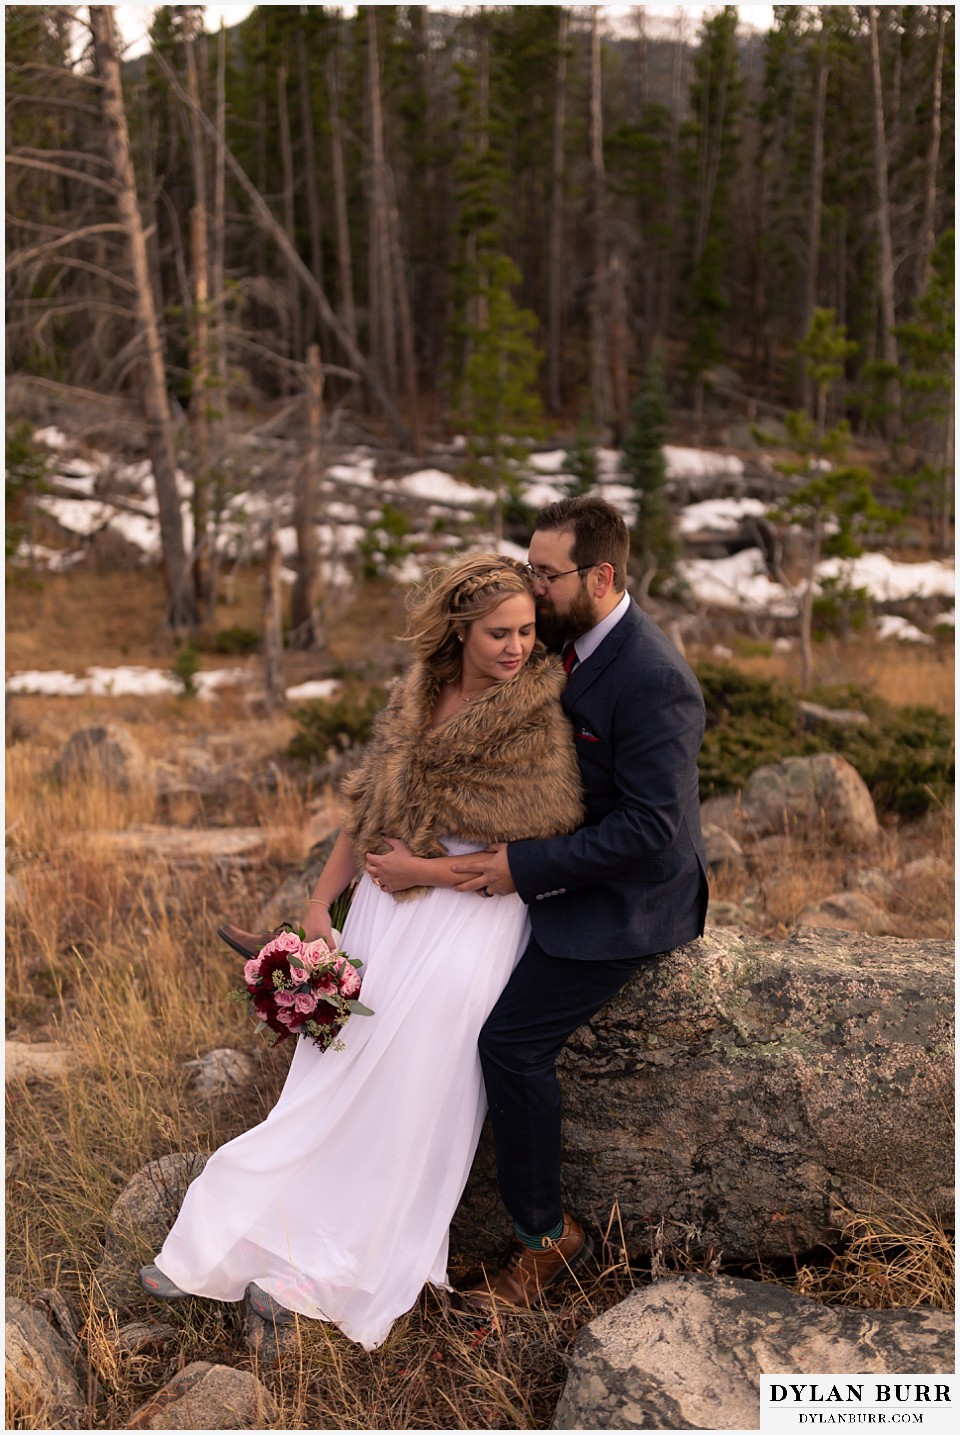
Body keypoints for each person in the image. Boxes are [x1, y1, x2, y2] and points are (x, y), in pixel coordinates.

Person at [137, 554, 584, 1351]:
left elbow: (526, 858)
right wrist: (319, 902)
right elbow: (365, 811)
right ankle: (242, 1234)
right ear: (458, 627)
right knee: (332, 1072)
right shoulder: (415, 693)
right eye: (498, 633)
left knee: (411, 1084)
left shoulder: (535, 720)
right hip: (381, 906)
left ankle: (345, 1263)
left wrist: (424, 870)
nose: (517, 647)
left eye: (525, 631)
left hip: (467, 918)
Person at [381, 495, 709, 1312]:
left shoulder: (654, 678)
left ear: (599, 576)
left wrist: (520, 868)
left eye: (545, 573)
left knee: (509, 1044)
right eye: (527, 565)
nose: (531, 586)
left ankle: (545, 1238)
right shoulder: (556, 648)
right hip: (543, 869)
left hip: (623, 903)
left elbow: (650, 832)